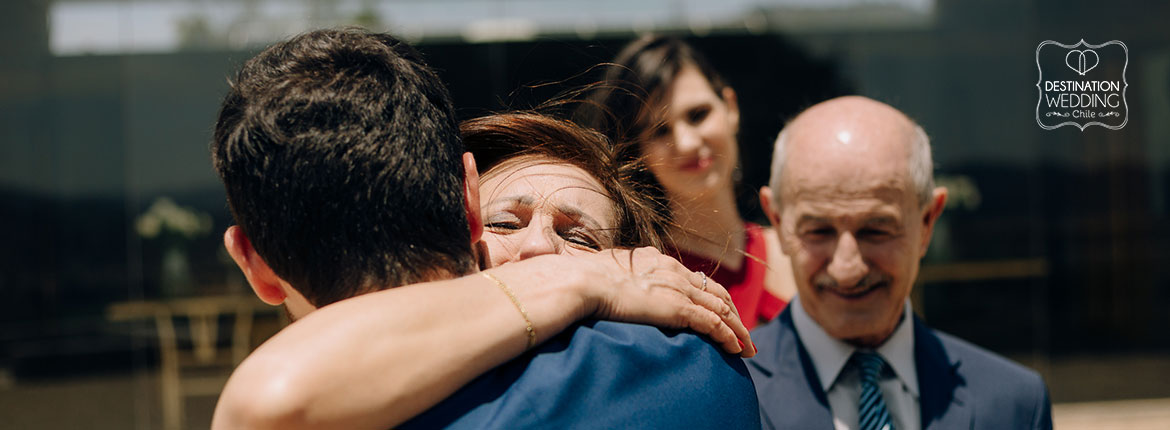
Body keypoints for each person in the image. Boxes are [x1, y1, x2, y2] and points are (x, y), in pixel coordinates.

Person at [210, 28, 758, 430]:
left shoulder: (675, 371)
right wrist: (582, 279)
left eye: (585, 242)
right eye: (505, 221)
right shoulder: (694, 370)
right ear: (469, 208)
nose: (542, 248)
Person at [747, 96, 1052, 430]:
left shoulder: (1014, 405)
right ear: (777, 220)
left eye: (875, 231)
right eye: (819, 231)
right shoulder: (727, 393)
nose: (847, 269)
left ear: (927, 222)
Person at [582, 35, 795, 329]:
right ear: (638, 150)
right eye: (659, 131)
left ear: (730, 107)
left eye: (698, 115)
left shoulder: (797, 248)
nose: (686, 143)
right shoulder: (637, 274)